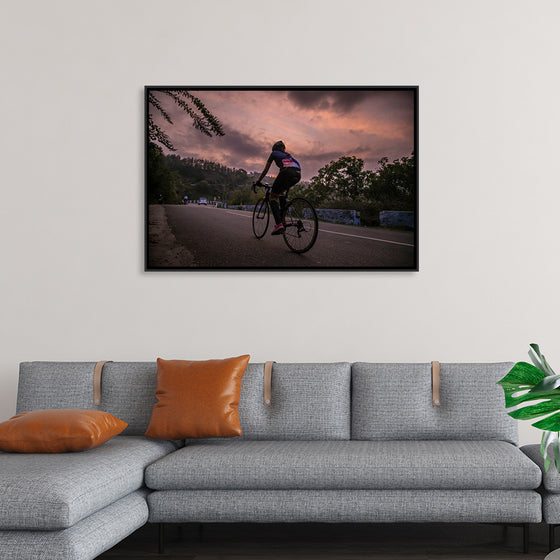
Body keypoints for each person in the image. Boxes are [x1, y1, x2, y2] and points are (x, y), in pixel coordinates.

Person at [255, 141, 301, 235]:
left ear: (275, 149)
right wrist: (285, 190)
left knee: (272, 196)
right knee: (281, 193)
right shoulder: (289, 156)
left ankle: (279, 225)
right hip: (297, 174)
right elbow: (287, 180)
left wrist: (258, 181)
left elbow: (266, 170)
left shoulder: (274, 153)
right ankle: (283, 218)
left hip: (286, 172)